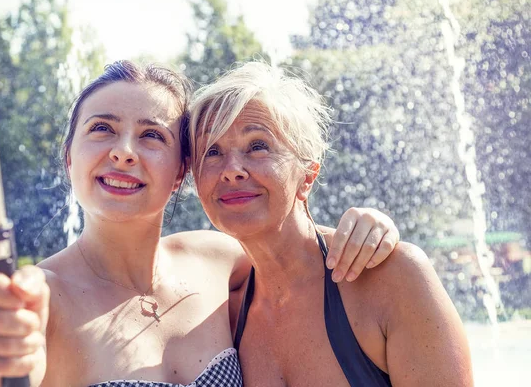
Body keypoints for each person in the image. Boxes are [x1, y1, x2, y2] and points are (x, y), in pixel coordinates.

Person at [0, 61, 400, 387]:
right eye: (101, 128)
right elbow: (9, 354)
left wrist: (366, 226)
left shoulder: (217, 259)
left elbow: (297, 250)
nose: (124, 151)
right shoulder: (40, 296)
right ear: (69, 157)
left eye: (151, 135)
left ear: (182, 171)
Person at [187, 61, 474, 386]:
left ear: (307, 175)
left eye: (258, 146)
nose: (232, 169)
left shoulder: (390, 280)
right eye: (212, 152)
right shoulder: (224, 318)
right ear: (195, 181)